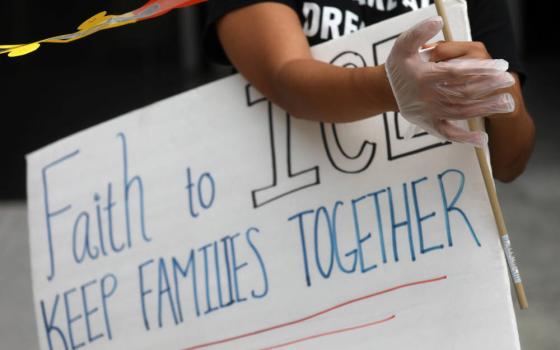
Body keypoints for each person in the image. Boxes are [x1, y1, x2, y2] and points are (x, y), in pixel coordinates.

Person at [204, 0, 535, 182]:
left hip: (438, 251)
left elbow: (509, 164)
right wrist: (392, 88)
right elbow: (284, 79)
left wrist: (502, 100)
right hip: (293, 240)